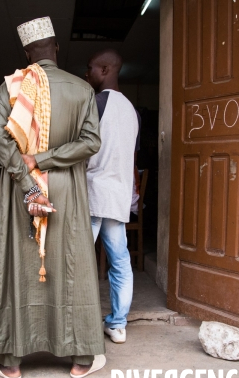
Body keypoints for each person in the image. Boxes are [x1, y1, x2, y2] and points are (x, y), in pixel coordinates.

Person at [0, 16, 106, 378]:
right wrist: (48, 159)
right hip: (66, 188)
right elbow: (90, 143)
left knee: (19, 267)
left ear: (27, 54)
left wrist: (28, 177)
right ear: (56, 48)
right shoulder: (82, 89)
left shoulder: (11, 88)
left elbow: (2, 145)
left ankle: (12, 361)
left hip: (21, 189)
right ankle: (81, 358)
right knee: (72, 265)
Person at [85, 49, 139, 344]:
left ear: (105, 69)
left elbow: (82, 149)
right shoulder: (131, 110)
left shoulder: (96, 103)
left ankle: (77, 323)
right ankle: (117, 325)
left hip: (93, 194)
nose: (87, 73)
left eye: (90, 67)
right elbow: (130, 159)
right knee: (120, 261)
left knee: (78, 260)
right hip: (117, 197)